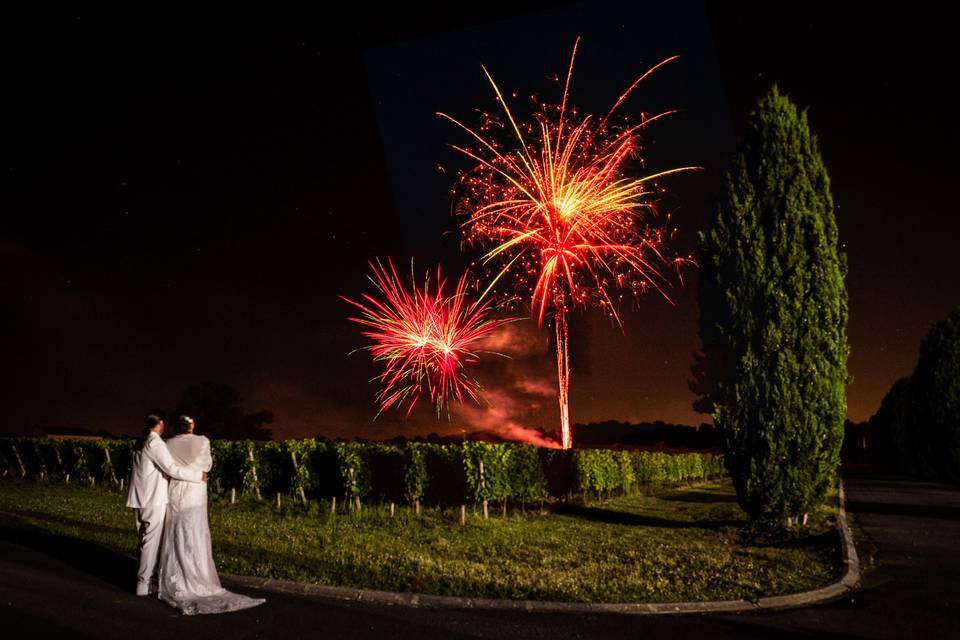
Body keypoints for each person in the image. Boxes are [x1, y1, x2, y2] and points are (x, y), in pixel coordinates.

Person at [157, 415, 265, 614]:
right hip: (196, 490)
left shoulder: (168, 443)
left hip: (178, 490)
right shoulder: (203, 441)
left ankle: (179, 575)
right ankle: (199, 575)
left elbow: (168, 468)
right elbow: (207, 466)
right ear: (192, 425)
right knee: (196, 531)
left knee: (177, 531)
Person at [126, 411, 207, 596]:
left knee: (143, 541)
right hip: (153, 499)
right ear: (161, 423)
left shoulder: (140, 442)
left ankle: (145, 579)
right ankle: (144, 584)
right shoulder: (155, 443)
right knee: (150, 543)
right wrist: (198, 476)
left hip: (138, 498)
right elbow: (171, 469)